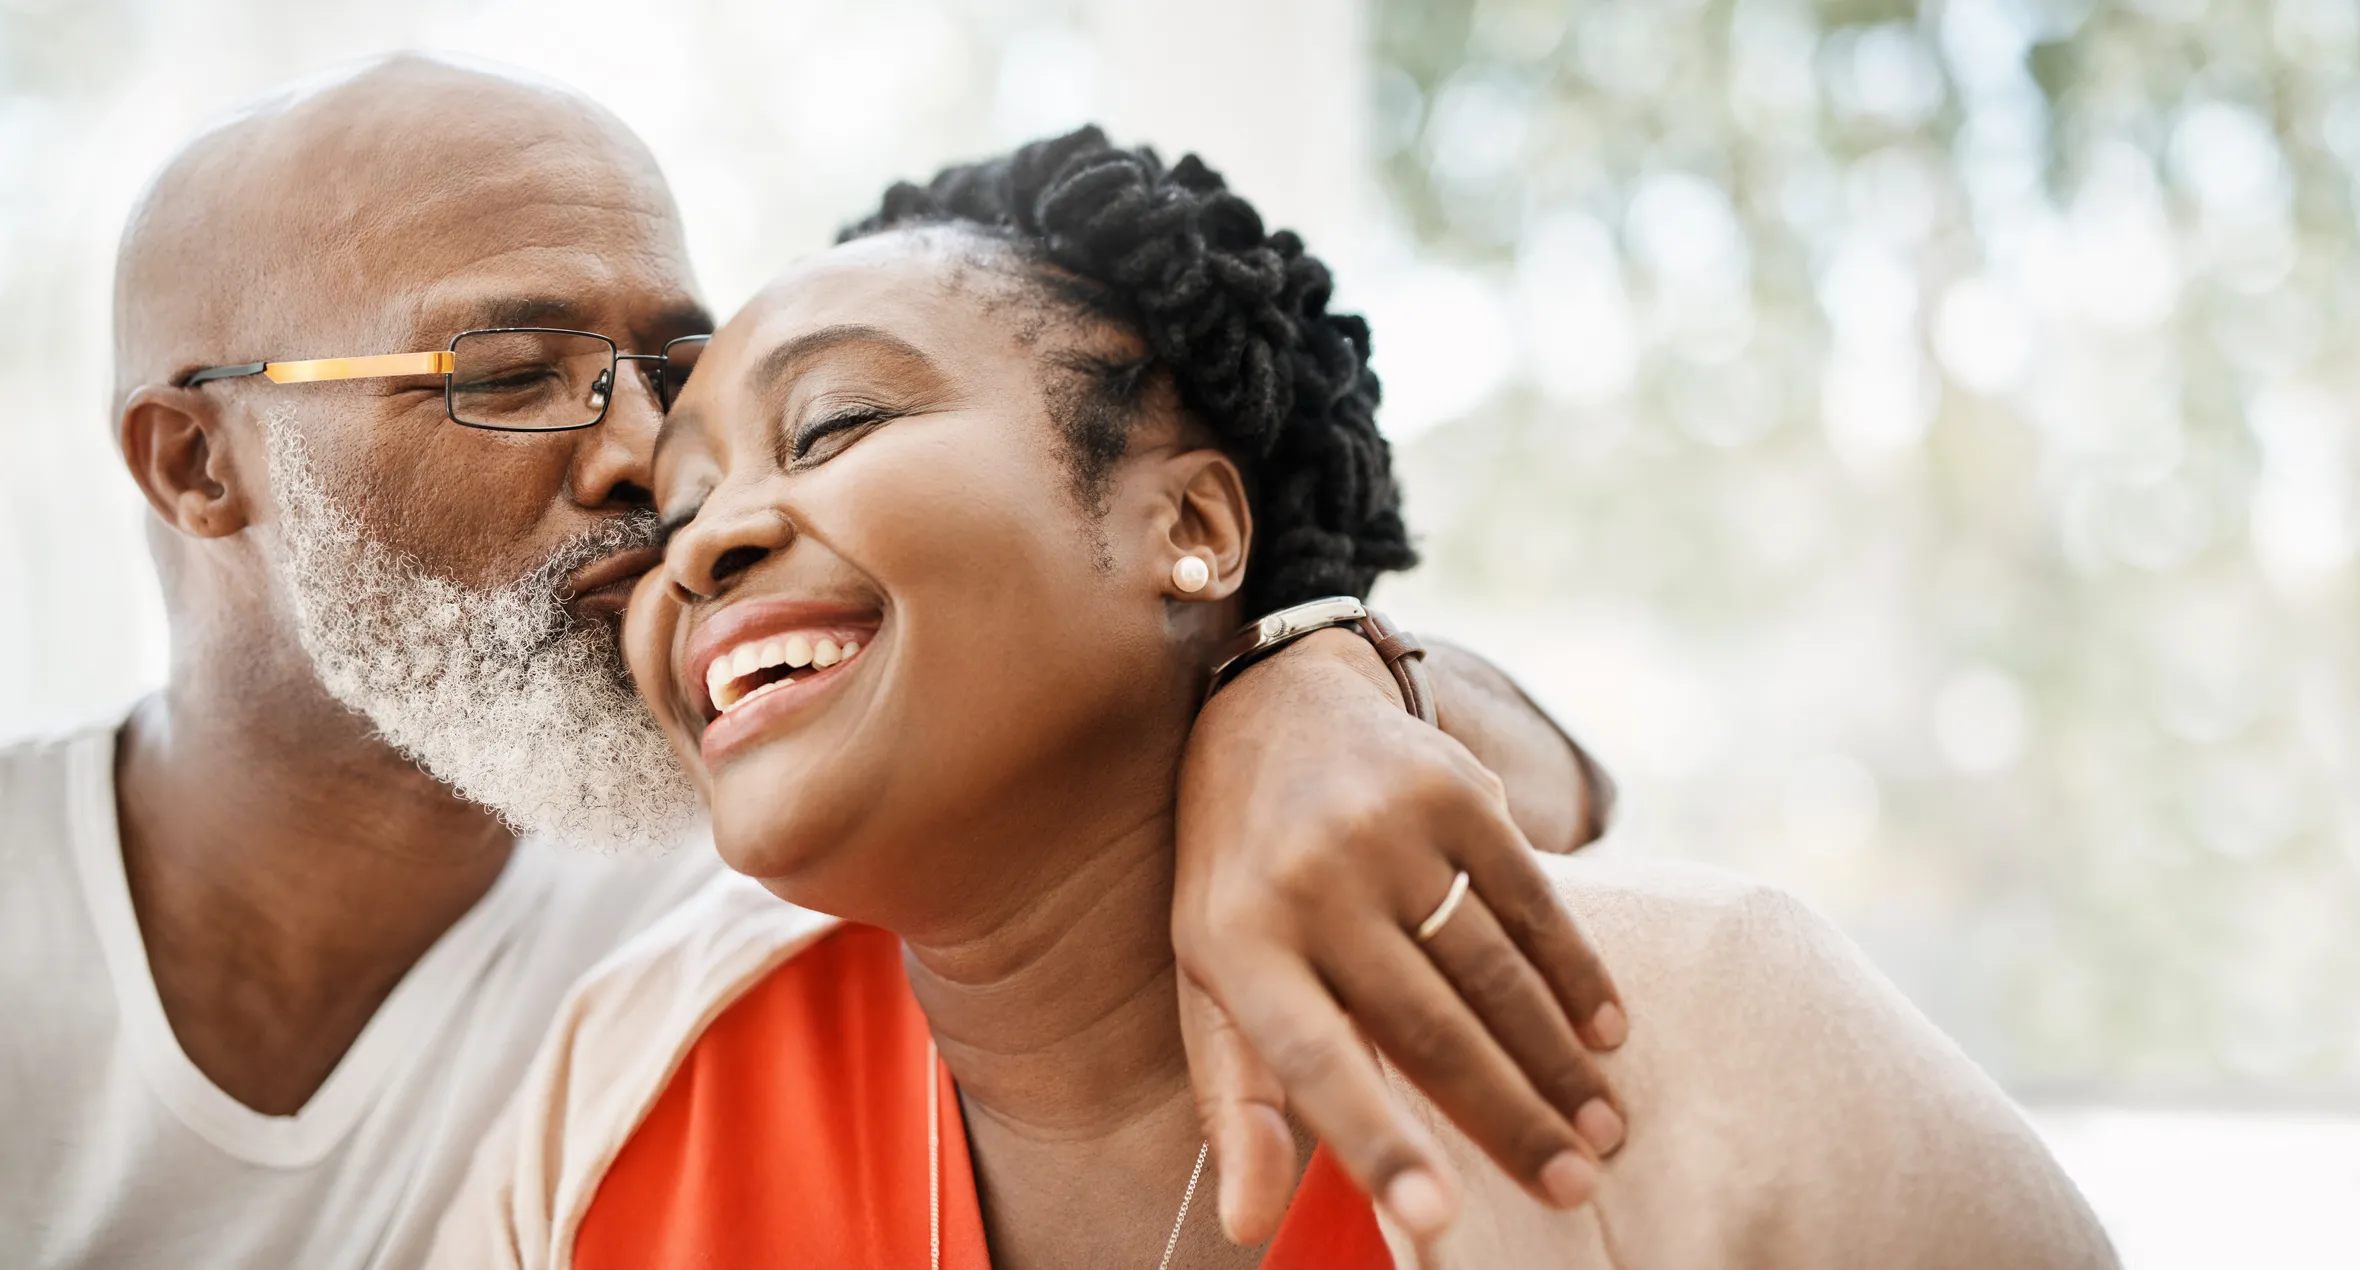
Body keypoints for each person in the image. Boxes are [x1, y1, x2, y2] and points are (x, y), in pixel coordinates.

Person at [1, 58, 1631, 1269]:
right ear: (195, 463)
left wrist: (1310, 680)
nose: (648, 462)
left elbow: (1564, 787)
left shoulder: (756, 879)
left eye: (674, 371)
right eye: (511, 373)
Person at [434, 129, 2117, 1269]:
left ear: (1188, 526)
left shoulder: (1699, 1024)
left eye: (834, 427)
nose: (706, 537)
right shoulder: (626, 1083)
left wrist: (1333, 666)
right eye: (676, 508)